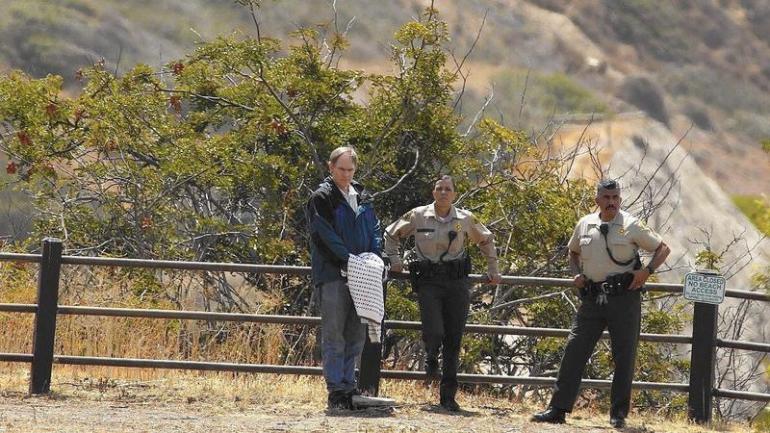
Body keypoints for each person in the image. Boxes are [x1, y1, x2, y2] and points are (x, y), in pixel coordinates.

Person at [531, 179, 671, 428]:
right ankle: (558, 408)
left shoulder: (631, 225)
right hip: (592, 299)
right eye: (606, 197)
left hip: (623, 299)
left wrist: (647, 271)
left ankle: (618, 415)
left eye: (615, 197)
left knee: (624, 356)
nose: (611, 202)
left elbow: (663, 249)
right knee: (574, 350)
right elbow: (573, 252)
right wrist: (575, 274)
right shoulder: (585, 224)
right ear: (597, 200)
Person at [384, 175, 502, 411]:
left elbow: (486, 240)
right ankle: (430, 354)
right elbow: (391, 233)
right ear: (433, 192)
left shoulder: (465, 219)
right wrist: (395, 260)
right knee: (434, 330)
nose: (444, 192)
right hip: (429, 281)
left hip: (456, 281)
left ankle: (448, 397)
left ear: (455, 194)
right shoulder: (418, 215)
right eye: (439, 188)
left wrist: (493, 269)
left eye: (448, 189)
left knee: (454, 339)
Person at [306, 146, 381, 410]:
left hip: (363, 275)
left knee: (355, 334)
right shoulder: (321, 197)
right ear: (331, 167)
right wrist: (349, 260)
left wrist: (374, 257)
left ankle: (350, 388)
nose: (346, 174)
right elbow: (323, 235)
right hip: (334, 274)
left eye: (350, 169)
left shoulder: (363, 196)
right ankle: (336, 391)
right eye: (341, 169)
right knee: (334, 335)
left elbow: (374, 228)